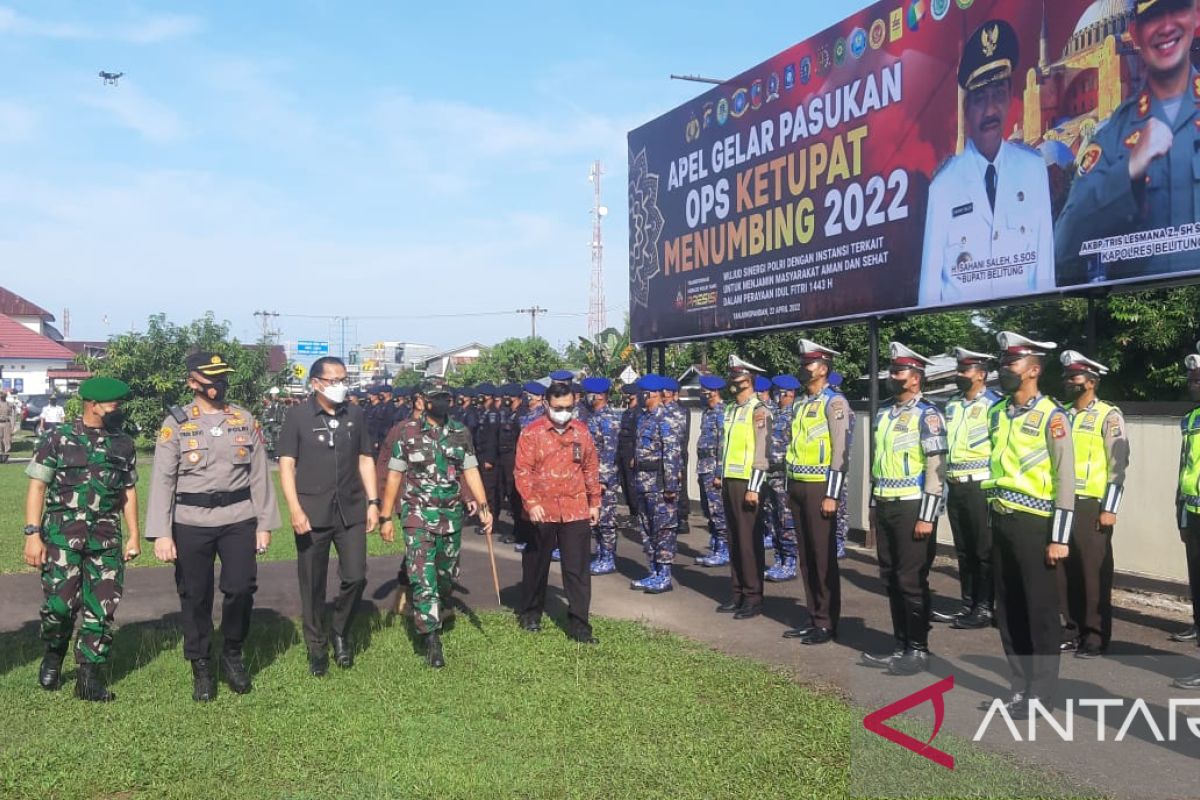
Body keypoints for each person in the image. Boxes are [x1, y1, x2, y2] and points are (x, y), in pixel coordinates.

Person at [145, 352, 281, 702]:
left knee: (240, 588)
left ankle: (232, 652)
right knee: (195, 595)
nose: (218, 386)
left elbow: (259, 474)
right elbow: (163, 479)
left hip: (238, 517)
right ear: (193, 382)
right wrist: (161, 532)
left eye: (222, 380)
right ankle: (201, 664)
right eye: (210, 381)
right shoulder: (176, 423)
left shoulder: (243, 419)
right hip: (190, 522)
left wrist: (264, 523)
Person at [1056, 0, 1200, 283]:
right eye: (1155, 16)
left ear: (1196, 15)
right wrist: (1129, 169)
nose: (1167, 26)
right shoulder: (1111, 136)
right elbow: (1063, 251)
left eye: (1177, 10)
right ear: (1134, 33)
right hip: (1138, 313)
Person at [919, 18, 1054, 307]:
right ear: (966, 108)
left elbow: (1045, 270)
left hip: (1023, 332)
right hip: (963, 338)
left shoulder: (1033, 170)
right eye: (980, 98)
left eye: (998, 95)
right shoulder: (943, 187)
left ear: (1010, 97)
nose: (990, 110)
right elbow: (929, 292)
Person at [23, 377, 139, 701]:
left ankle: (88, 678)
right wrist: (32, 534)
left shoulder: (123, 444)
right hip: (61, 537)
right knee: (59, 606)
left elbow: (128, 491)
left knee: (101, 608)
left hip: (105, 537)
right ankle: (54, 650)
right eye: (114, 405)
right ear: (93, 405)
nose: (119, 411)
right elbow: (37, 486)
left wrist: (132, 536)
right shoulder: (57, 438)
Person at [980, 332, 1075, 717]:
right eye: (1003, 362)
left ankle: (1042, 694)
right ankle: (1019, 688)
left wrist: (1059, 537)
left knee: (1039, 611)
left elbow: (1065, 478)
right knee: (1009, 609)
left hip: (1036, 525)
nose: (1005, 369)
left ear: (1033, 370)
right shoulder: (997, 411)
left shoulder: (1052, 416)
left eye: (1012, 363)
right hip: (1001, 519)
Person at [277, 357, 379, 676]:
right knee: (313, 583)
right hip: (311, 511)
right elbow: (286, 465)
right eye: (333, 380)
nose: (340, 386)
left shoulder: (356, 414)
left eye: (343, 379)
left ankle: (338, 630)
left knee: (356, 576)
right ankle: (316, 646)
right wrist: (294, 508)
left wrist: (373, 502)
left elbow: (365, 459)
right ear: (316, 383)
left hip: (350, 508)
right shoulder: (297, 415)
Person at [379, 380, 492, 669]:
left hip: (451, 516)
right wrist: (385, 516)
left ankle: (438, 608)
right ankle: (431, 638)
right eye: (436, 398)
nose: (442, 402)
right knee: (422, 577)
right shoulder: (407, 432)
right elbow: (393, 476)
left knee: (445, 573)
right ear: (423, 401)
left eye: (446, 397)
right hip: (417, 516)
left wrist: (483, 506)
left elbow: (470, 470)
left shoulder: (459, 432)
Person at [860, 343, 947, 676]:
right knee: (891, 578)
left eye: (899, 372)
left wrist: (928, 515)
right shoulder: (883, 412)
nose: (893, 377)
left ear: (916, 378)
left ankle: (919, 648)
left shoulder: (929, 415)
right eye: (892, 371)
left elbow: (936, 467)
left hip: (913, 506)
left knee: (911, 579)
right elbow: (878, 463)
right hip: (885, 503)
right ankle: (900, 645)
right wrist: (871, 504)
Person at [514, 381, 601, 641]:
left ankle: (580, 625)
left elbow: (590, 468)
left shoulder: (582, 432)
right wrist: (531, 502)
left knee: (577, 570)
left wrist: (594, 502)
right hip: (542, 510)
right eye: (558, 407)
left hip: (575, 510)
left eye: (568, 407)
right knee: (536, 566)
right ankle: (531, 613)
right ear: (546, 405)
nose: (563, 412)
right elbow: (522, 471)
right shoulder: (532, 433)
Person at [1056, 351, 1129, 659]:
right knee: (1065, 570)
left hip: (1091, 504)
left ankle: (1096, 636)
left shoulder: (1108, 416)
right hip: (1063, 503)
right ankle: (1073, 629)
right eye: (1067, 377)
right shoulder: (1063, 415)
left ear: (1091, 381)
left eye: (1074, 377)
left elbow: (1119, 464)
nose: (1068, 381)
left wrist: (1109, 507)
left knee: (1092, 574)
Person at [783, 340, 851, 645]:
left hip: (820, 488)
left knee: (823, 557)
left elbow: (840, 453)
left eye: (808, 364)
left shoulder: (834, 403)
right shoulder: (800, 403)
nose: (803, 369)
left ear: (823, 369)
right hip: (798, 486)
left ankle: (826, 621)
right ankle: (813, 616)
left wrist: (832, 495)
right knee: (807, 557)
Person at [935, 347, 1002, 629]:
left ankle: (986, 606)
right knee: (963, 549)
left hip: (981, 485)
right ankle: (968, 604)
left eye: (965, 371)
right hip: (955, 485)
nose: (960, 375)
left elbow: (1001, 448)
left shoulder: (995, 405)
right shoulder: (952, 405)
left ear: (981, 375)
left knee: (983, 550)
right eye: (959, 370)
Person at [716, 356, 772, 619]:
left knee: (749, 542)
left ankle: (753, 597)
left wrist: (755, 487)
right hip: (729, 481)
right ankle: (737, 593)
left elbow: (762, 451)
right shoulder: (730, 409)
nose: (733, 382)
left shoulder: (758, 409)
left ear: (748, 380)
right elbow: (725, 447)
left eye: (737, 378)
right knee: (734, 540)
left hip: (748, 483)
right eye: (732, 377)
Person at [629, 375, 684, 594]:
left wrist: (670, 486)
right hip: (643, 483)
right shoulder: (644, 418)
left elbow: (672, 454)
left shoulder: (666, 418)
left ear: (650, 395)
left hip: (660, 485)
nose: (639, 398)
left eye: (641, 394)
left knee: (664, 530)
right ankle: (653, 571)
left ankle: (664, 576)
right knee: (647, 529)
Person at [1173, 343, 1200, 689]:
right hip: (1193, 514)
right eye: (1191, 378)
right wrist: (1180, 515)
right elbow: (1184, 470)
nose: (1192, 383)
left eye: (1198, 378)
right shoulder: (1191, 419)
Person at [581, 377, 622, 575]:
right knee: (594, 519)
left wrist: (603, 480)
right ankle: (600, 554)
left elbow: (609, 452)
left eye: (588, 393)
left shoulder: (609, 419)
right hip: (590, 476)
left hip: (603, 479)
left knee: (606, 520)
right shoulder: (592, 417)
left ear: (598, 395)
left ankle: (608, 558)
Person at [764, 374, 800, 582]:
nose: (776, 396)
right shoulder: (774, 414)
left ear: (788, 393)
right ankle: (779, 559)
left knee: (787, 520)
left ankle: (790, 562)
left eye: (779, 392)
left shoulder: (795, 415)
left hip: (784, 475)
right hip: (771, 475)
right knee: (773, 519)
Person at [694, 375, 729, 567]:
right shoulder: (708, 412)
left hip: (713, 469)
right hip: (704, 467)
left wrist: (719, 474)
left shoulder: (721, 412)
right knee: (709, 511)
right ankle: (716, 546)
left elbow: (722, 446)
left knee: (719, 511)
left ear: (713, 392)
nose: (702, 393)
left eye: (704, 390)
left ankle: (723, 550)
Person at [662, 378, 692, 534]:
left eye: (667, 391)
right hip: (665, 455)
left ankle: (682, 517)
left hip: (678, 453)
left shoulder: (681, 410)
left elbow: (683, 437)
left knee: (680, 486)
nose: (663, 394)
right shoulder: (661, 410)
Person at [617, 384, 641, 518]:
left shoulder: (638, 413)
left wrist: (634, 456)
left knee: (632, 485)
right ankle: (632, 513)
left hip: (631, 452)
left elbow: (638, 436)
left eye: (628, 395)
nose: (626, 397)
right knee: (625, 484)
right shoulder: (627, 412)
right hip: (622, 452)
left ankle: (637, 514)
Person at [0, 388, 14, 463]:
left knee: (7, 440)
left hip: (7, 423)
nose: (2, 395)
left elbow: (12, 416)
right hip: (0, 423)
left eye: (3, 394)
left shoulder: (9, 404)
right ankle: (1, 455)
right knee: (0, 439)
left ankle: (5, 456)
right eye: (1, 394)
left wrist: (13, 426)